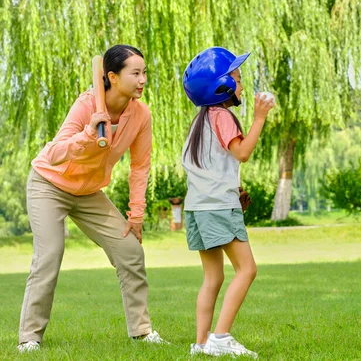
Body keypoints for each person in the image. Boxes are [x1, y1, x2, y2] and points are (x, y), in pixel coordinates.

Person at [18, 45, 166, 353]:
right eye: (135, 73)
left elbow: (140, 167)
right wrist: (87, 134)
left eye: (144, 73)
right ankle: (29, 338)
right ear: (112, 76)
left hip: (88, 192)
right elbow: (55, 154)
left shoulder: (141, 114)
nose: (142, 80)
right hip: (49, 184)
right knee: (50, 254)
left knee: (130, 250)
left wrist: (136, 215)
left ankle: (141, 331)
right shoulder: (87, 105)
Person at [181, 47, 274, 358]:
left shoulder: (200, 122)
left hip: (197, 209)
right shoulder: (223, 116)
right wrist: (260, 118)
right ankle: (220, 337)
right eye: (237, 77)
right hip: (219, 208)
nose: (242, 83)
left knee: (214, 276)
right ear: (222, 85)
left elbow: (211, 167)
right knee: (247, 270)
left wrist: (234, 188)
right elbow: (242, 153)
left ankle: (201, 343)